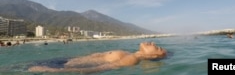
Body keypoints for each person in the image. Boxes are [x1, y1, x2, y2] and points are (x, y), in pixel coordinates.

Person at [28, 42, 167, 73]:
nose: (153, 43)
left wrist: (52, 71)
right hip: (64, 60)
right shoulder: (129, 53)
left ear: (153, 55)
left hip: (60, 66)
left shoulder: (133, 59)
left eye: (157, 47)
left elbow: (102, 67)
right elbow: (98, 57)